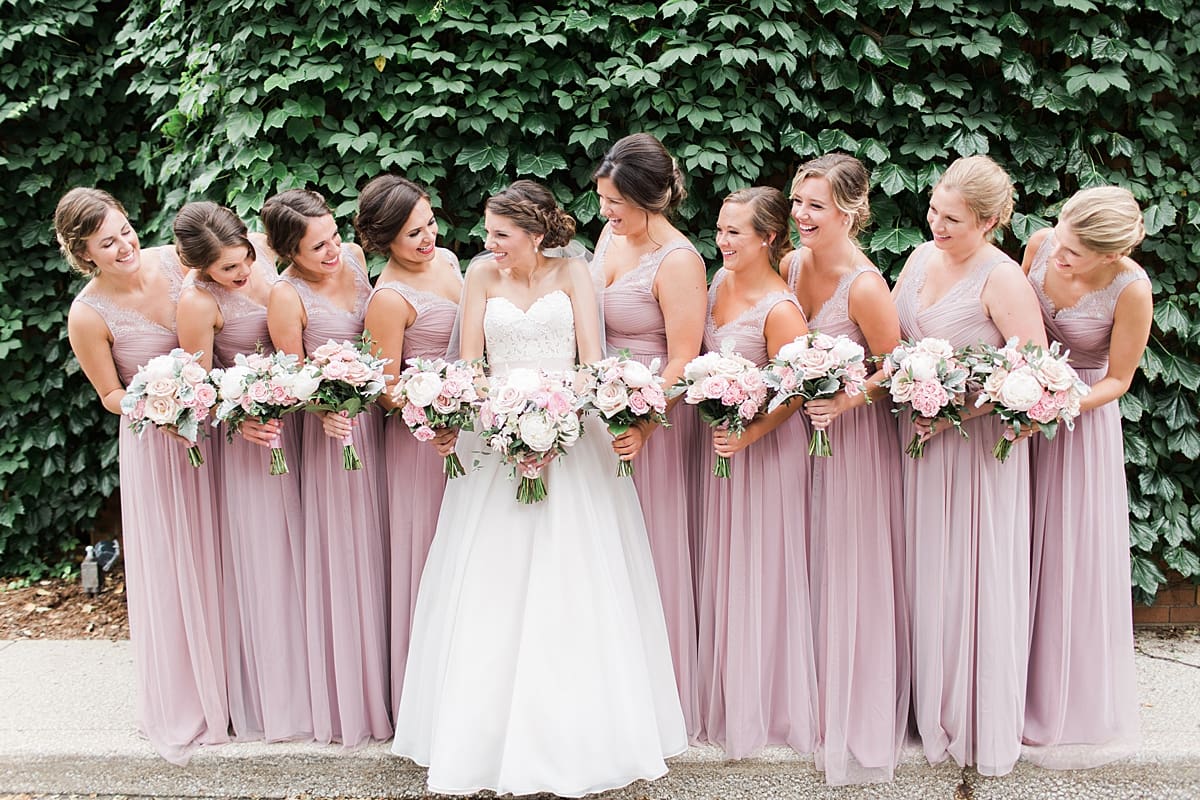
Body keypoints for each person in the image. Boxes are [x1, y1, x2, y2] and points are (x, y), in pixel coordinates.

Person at [391, 180, 686, 797]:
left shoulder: (574, 273)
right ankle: (482, 735)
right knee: (489, 578)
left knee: (572, 573)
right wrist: (457, 417)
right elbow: (471, 364)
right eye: (488, 233)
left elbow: (588, 360)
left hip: (571, 438)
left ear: (534, 233)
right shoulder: (479, 277)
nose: (488, 243)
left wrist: (560, 426)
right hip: (493, 443)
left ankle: (577, 730)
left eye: (501, 234)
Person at [891, 156, 1047, 776]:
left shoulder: (1003, 279)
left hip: (974, 453)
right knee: (921, 567)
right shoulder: (920, 258)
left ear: (987, 221)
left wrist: (959, 409)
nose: (936, 224)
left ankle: (968, 706)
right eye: (933, 210)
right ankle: (921, 697)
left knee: (967, 573)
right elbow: (899, 341)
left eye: (951, 218)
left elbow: (1030, 375)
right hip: (914, 439)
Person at [61, 188, 228, 763]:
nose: (126, 244)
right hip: (158, 440)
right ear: (85, 254)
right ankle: (193, 693)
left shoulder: (174, 259)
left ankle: (240, 683)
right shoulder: (87, 314)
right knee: (179, 561)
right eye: (108, 243)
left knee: (228, 552)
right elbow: (109, 393)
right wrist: (157, 400)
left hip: (222, 429)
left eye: (126, 229)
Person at [783, 154, 907, 784]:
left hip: (853, 441)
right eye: (798, 202)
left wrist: (847, 397)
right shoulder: (791, 263)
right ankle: (802, 691)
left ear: (850, 211)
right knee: (805, 556)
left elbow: (897, 365)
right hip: (796, 438)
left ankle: (852, 698)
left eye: (816, 206)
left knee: (846, 562)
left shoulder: (864, 284)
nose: (801, 216)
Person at [1020, 186, 1151, 768]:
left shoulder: (1133, 290)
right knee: (1016, 549)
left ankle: (1059, 698)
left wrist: (1058, 405)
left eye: (1075, 253)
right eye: (1061, 240)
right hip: (1018, 410)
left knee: (1066, 556)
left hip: (1081, 422)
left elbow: (1118, 379)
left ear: (1108, 256)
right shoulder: (1042, 243)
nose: (1059, 257)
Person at [173, 201, 312, 743]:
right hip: (253, 441)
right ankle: (275, 696)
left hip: (298, 422)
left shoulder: (258, 257)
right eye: (230, 269)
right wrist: (243, 411)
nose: (244, 271)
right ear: (202, 267)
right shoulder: (196, 302)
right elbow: (200, 389)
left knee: (307, 552)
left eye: (246, 257)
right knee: (267, 561)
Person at [264, 189, 391, 746]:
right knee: (347, 555)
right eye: (319, 246)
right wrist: (327, 407)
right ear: (290, 251)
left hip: (380, 426)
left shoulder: (359, 262)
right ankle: (352, 700)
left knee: (386, 549)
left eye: (335, 237)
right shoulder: (285, 297)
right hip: (334, 436)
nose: (335, 250)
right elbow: (292, 380)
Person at [591, 133, 707, 739]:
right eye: (603, 199)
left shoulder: (680, 260)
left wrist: (639, 419)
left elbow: (683, 358)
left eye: (615, 202)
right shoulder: (612, 236)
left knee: (650, 548)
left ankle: (662, 700)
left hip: (651, 422)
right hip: (599, 414)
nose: (605, 213)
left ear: (651, 199)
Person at [697, 187, 818, 758]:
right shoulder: (719, 283)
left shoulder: (780, 309)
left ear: (768, 238)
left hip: (762, 452)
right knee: (721, 565)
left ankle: (765, 701)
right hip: (720, 444)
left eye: (734, 233)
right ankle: (723, 685)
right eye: (720, 230)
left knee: (759, 567)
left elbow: (794, 394)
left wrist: (747, 434)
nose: (722, 241)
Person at [355, 175, 462, 709]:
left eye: (430, 225)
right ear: (385, 240)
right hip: (422, 445)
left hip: (472, 432)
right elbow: (384, 390)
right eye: (412, 234)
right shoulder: (389, 299)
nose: (427, 239)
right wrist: (436, 407)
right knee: (426, 559)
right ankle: (425, 699)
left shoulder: (446, 262)